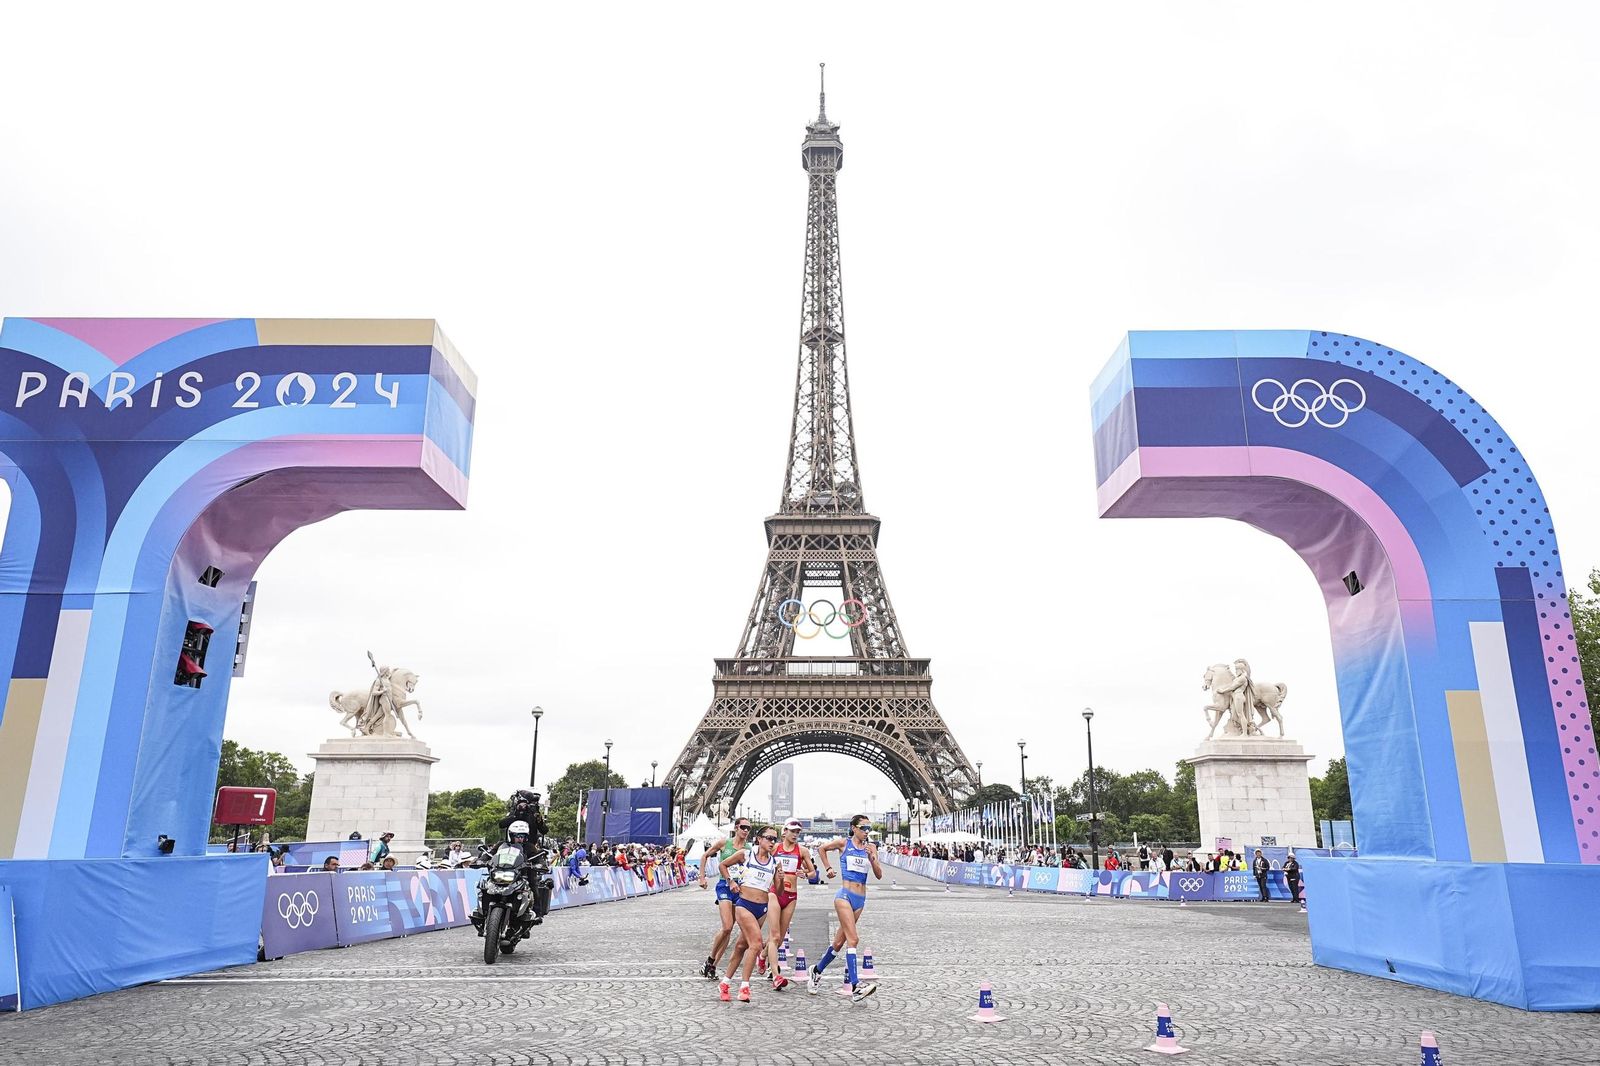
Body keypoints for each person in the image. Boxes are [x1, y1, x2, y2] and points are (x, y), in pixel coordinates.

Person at [808, 814, 882, 1003]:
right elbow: (822, 849)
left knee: (839, 943)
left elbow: (879, 875)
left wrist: (872, 858)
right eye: (863, 828)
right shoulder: (844, 843)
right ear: (854, 828)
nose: (867, 831)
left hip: (860, 899)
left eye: (868, 828)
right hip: (844, 896)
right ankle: (856, 986)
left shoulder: (871, 847)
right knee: (853, 939)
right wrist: (828, 868)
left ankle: (816, 971)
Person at [717, 825, 782, 1003]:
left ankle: (725, 982)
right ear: (759, 839)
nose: (772, 842)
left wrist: (781, 879)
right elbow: (723, 865)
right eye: (769, 838)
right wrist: (730, 882)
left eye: (775, 839)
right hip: (744, 905)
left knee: (740, 947)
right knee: (756, 944)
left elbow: (780, 891)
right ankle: (744, 987)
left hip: (761, 909)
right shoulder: (746, 854)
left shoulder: (775, 862)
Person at [764, 819, 815, 989]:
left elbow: (813, 872)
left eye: (798, 832)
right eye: (792, 831)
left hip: (791, 896)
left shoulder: (803, 851)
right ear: (784, 831)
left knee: (778, 938)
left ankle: (763, 956)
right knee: (775, 935)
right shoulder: (774, 848)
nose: (795, 834)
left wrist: (805, 874)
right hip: (774, 893)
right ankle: (776, 975)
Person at [698, 818, 752, 979]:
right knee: (727, 926)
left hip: (739, 888)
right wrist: (702, 877)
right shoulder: (724, 843)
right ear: (736, 828)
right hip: (724, 886)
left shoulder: (748, 848)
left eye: (748, 828)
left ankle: (712, 966)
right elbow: (704, 856)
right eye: (743, 827)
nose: (746, 830)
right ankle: (710, 959)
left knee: (728, 931)